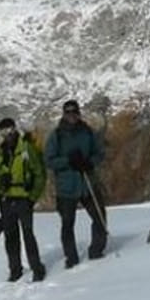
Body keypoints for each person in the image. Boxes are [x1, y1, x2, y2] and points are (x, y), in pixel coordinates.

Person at [44, 99, 107, 269]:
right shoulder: (56, 135)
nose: (71, 115)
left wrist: (89, 162)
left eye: (74, 112)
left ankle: (97, 250)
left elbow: (100, 153)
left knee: (99, 217)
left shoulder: (87, 132)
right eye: (68, 112)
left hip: (87, 183)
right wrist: (68, 161)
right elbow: (49, 161)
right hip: (66, 187)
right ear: (64, 114)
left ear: (78, 113)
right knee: (67, 224)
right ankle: (71, 257)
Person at [0, 117, 47, 283]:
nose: (7, 134)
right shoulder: (1, 152)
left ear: (15, 129)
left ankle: (37, 268)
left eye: (10, 130)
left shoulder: (26, 149)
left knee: (28, 235)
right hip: (6, 200)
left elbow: (40, 175)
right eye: (3, 131)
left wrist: (32, 198)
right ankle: (15, 270)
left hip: (24, 199)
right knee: (10, 237)